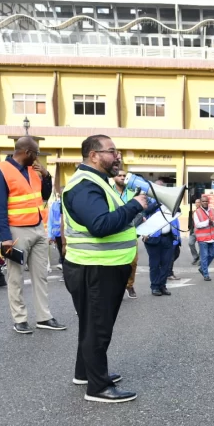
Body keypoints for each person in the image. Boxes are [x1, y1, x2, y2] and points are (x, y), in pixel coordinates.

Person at [62, 135, 149, 403]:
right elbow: (100, 226)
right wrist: (136, 205)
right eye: (112, 151)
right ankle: (98, 388)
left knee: (91, 325)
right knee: (98, 328)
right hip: (95, 268)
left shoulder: (98, 182)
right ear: (93, 155)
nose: (118, 156)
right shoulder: (86, 186)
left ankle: (86, 373)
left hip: (100, 266)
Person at [0, 136, 65, 334]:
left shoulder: (34, 171)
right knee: (15, 277)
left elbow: (44, 197)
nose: (38, 157)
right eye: (36, 153)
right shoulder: (1, 172)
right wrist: (4, 237)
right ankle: (20, 319)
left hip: (38, 227)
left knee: (41, 275)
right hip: (16, 231)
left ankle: (44, 316)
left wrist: (47, 176)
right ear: (27, 153)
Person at [112, 169, 140, 299]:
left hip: (130, 233)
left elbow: (139, 211)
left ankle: (129, 285)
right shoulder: (108, 192)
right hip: (113, 234)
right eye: (120, 175)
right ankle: (116, 287)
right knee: (114, 264)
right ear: (114, 177)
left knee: (132, 262)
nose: (122, 177)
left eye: (124, 176)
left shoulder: (133, 193)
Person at [143, 199, 176, 297]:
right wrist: (159, 202)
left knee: (166, 264)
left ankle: (162, 285)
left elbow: (177, 210)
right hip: (153, 238)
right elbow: (144, 212)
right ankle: (155, 287)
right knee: (155, 264)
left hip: (168, 238)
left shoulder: (170, 203)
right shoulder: (149, 201)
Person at [195, 195, 214, 281]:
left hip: (211, 237)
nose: (205, 203)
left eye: (206, 201)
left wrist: (213, 223)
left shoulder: (213, 211)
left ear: (208, 202)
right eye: (203, 201)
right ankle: (205, 274)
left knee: (213, 254)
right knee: (204, 256)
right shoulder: (197, 212)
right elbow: (197, 224)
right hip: (202, 238)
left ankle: (202, 268)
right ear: (200, 202)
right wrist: (207, 222)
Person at [188, 198, 201, 266]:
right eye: (196, 202)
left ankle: (201, 259)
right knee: (190, 243)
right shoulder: (194, 211)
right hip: (193, 231)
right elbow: (191, 221)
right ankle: (196, 257)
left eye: (198, 202)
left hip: (200, 231)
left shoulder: (202, 212)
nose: (197, 204)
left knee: (201, 245)